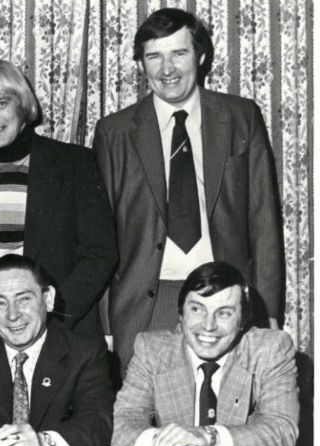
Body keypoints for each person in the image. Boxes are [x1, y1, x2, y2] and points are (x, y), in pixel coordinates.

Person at [93, 8, 284, 370]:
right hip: (144, 304)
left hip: (224, 297)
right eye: (154, 56)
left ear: (200, 55)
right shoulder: (114, 132)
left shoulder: (241, 117)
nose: (167, 69)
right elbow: (102, 236)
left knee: (226, 414)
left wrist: (266, 309)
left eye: (178, 53)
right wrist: (105, 323)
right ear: (140, 64)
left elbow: (264, 222)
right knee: (147, 419)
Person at [0, 58, 116, 339]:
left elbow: (99, 252)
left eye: (1, 103)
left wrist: (52, 317)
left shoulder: (75, 163)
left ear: (22, 103)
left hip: (64, 331)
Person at [112, 262, 298, 446]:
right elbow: (125, 420)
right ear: (180, 315)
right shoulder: (152, 350)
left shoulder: (271, 349)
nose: (208, 326)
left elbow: (282, 430)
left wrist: (207, 436)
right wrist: (163, 444)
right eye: (197, 309)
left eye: (224, 313)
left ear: (243, 320)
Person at [0, 255, 114, 446]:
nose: (13, 315)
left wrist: (46, 445)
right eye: (0, 303)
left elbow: (98, 419)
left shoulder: (85, 351)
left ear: (49, 299)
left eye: (23, 299)